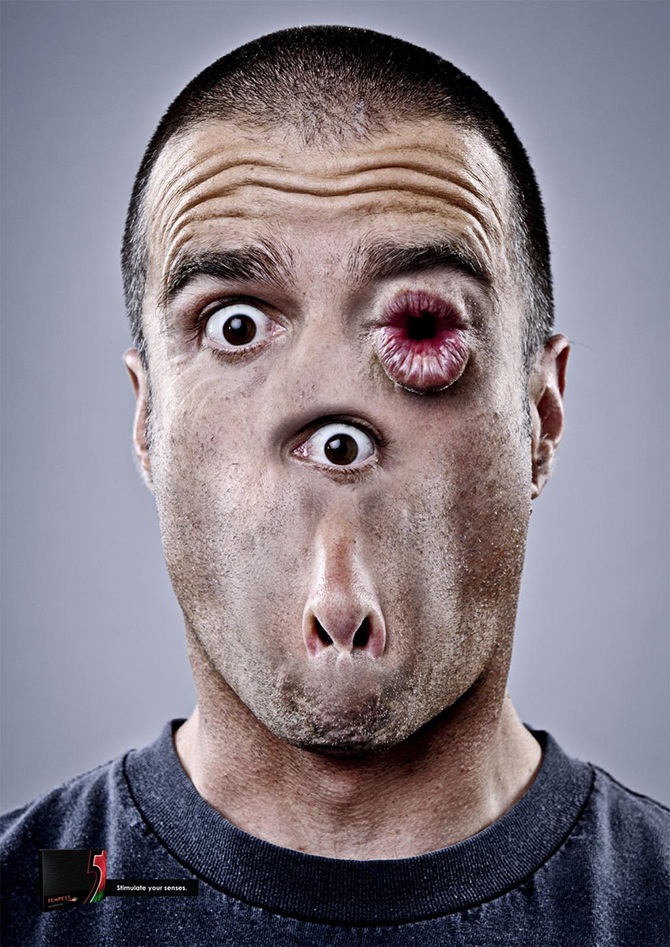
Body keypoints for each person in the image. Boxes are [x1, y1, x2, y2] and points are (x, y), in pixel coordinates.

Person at [1, 25, 667, 947]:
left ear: (541, 416)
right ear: (148, 419)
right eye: (235, 326)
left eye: (424, 319)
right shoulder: (30, 899)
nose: (332, 413)